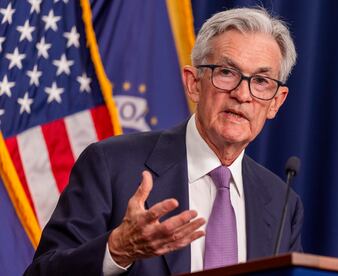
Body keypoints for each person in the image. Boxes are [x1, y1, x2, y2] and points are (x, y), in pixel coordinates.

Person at [25, 7, 303, 275]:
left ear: (276, 103)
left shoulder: (281, 202)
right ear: (194, 83)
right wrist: (117, 251)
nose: (243, 94)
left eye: (261, 81)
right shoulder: (111, 165)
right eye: (227, 73)